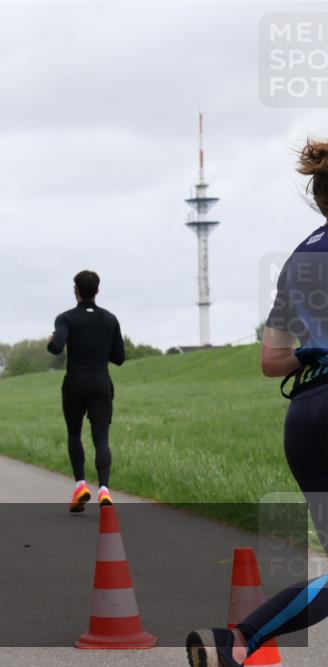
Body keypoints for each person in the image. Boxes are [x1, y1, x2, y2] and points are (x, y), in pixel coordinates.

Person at [186, 138, 328, 667]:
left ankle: (238, 641)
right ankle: (239, 638)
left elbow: (273, 361)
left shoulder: (298, 260)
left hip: (308, 416)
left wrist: (315, 351)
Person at [47, 270, 125, 512]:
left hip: (75, 383)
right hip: (101, 381)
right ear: (97, 291)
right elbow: (119, 358)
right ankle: (104, 489)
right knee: (101, 439)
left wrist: (50, 341)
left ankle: (80, 485)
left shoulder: (65, 318)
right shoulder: (110, 319)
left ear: (76, 290)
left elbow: (56, 347)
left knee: (74, 434)